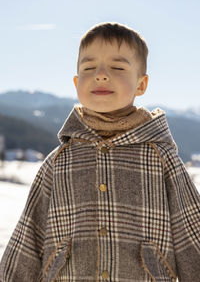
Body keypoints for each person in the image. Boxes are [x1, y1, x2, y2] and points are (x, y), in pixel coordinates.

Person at [0, 22, 199, 282]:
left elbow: (191, 233)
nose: (101, 75)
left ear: (141, 84)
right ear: (76, 82)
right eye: (89, 67)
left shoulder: (160, 158)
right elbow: (29, 233)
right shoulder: (60, 161)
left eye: (117, 67)